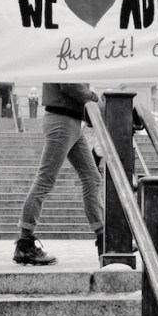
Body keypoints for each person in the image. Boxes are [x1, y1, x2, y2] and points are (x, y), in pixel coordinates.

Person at [13, 83, 103, 265]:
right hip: (61, 119)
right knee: (45, 179)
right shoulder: (62, 65)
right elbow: (69, 84)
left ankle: (103, 236)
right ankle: (24, 243)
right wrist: (93, 97)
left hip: (72, 120)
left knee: (92, 177)